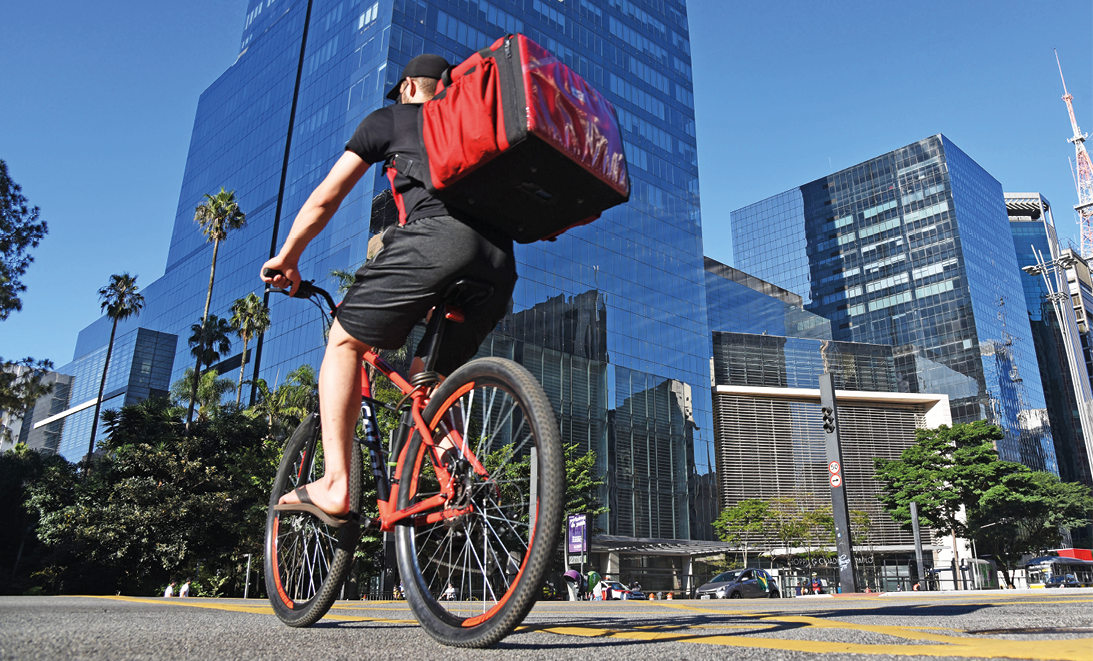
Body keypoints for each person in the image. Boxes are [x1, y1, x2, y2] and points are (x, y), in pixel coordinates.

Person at [264, 54, 518, 524]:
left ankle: (337, 484)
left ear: (406, 88)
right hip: (499, 262)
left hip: (437, 240)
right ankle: (459, 475)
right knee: (431, 376)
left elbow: (327, 196)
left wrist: (289, 256)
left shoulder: (390, 119)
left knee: (343, 341)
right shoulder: (478, 126)